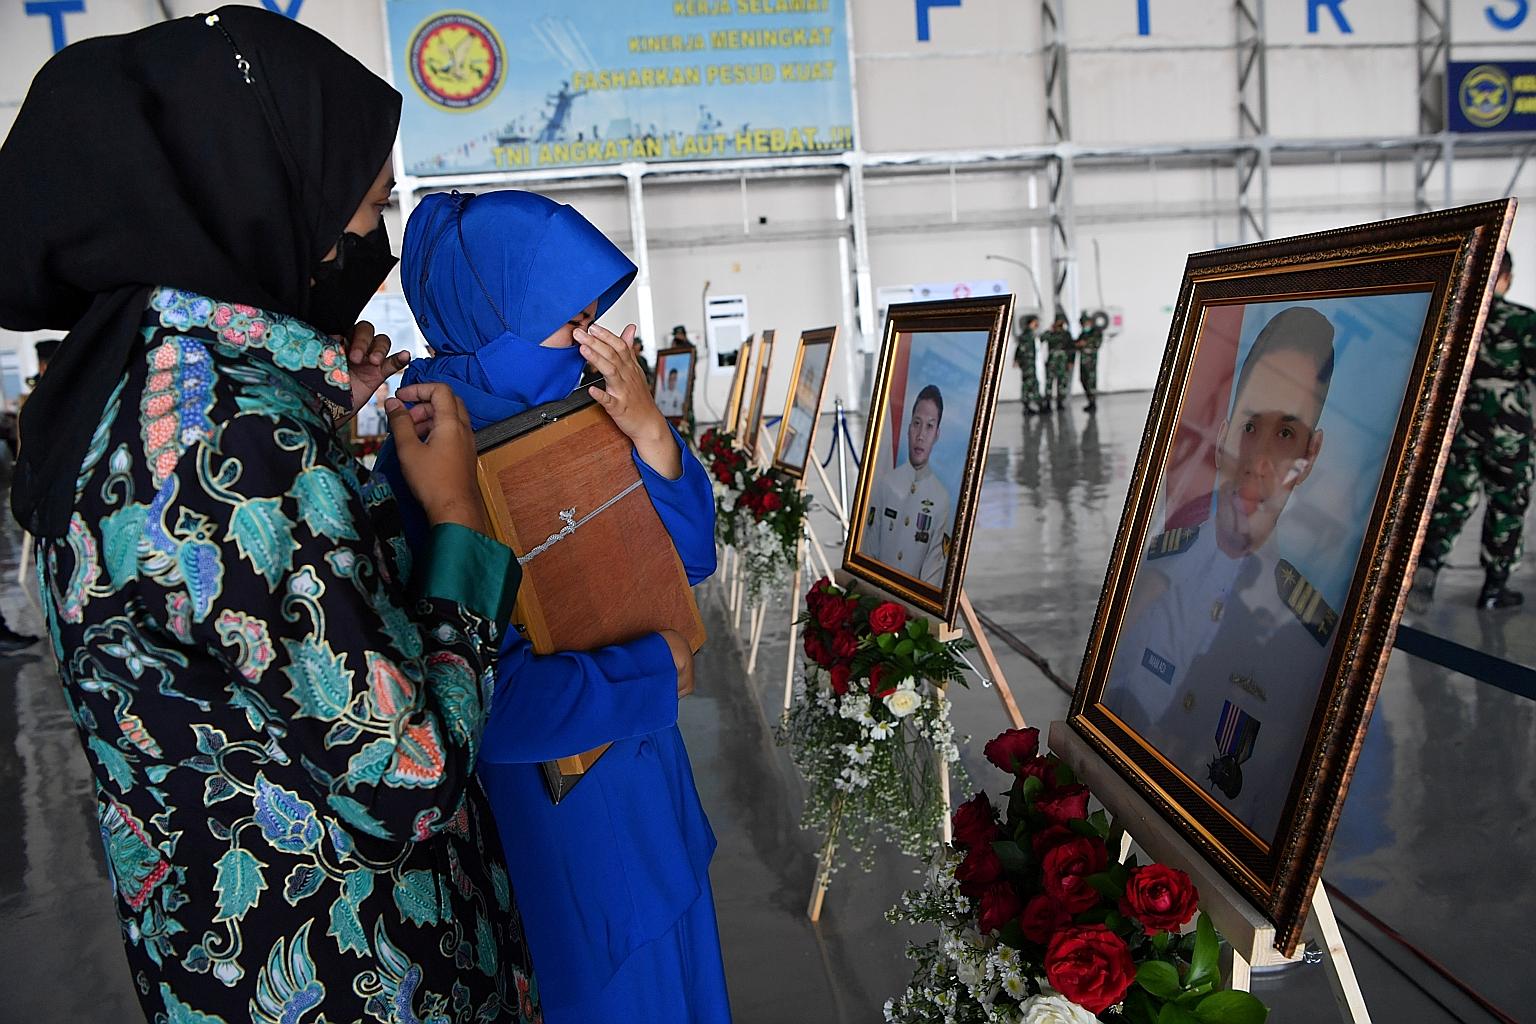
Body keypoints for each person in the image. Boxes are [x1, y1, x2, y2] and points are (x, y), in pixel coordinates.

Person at [0, 9, 540, 1020]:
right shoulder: (234, 437)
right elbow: (404, 773)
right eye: (369, 209)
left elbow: (238, 650)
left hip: (226, 962)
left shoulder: (138, 379)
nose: (372, 243)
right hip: (358, 974)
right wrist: (463, 522)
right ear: (259, 196)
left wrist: (321, 431)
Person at [379, 189, 730, 1024]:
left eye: (588, 311)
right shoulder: (431, 460)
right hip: (566, 840)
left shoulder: (584, 407)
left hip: (653, 808)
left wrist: (650, 435)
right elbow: (482, 706)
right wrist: (650, 673)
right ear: (490, 308)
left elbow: (688, 558)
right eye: (564, 315)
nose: (588, 336)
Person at [1103, 307, 1338, 841]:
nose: (1258, 460)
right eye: (1251, 426)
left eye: (1285, 433)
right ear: (1226, 433)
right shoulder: (1151, 573)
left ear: (1311, 453)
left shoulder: (1308, 640)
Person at [1410, 251, 1536, 611]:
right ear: (1506, 278)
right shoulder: (1523, 322)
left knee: (1450, 502)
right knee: (1508, 505)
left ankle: (1428, 567)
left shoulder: (1454, 321)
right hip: (1509, 435)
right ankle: (1495, 588)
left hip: (1458, 431)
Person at [860, 384, 952, 585]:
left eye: (929, 426)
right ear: (908, 429)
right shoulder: (885, 485)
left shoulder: (940, 499)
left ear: (937, 434)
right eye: (917, 423)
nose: (921, 435)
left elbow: (932, 573)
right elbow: (870, 551)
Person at [1042, 311, 1076, 411]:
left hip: (1063, 362)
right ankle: (1047, 403)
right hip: (1051, 362)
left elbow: (1071, 349)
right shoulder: (1050, 333)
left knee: (1062, 383)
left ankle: (1060, 402)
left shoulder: (1067, 334)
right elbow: (1041, 339)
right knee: (1049, 383)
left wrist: (1071, 362)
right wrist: (1050, 329)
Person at [1014, 313, 1044, 414]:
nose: (1037, 324)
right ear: (1031, 323)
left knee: (1029, 383)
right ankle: (1034, 405)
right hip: (1028, 364)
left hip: (1029, 363)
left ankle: (1031, 405)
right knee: (1030, 384)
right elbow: (1021, 349)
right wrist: (1018, 360)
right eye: (1036, 322)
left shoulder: (1029, 334)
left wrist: (1016, 360)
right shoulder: (1027, 335)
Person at [1077, 311, 1105, 413]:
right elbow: (1078, 343)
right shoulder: (1083, 334)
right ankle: (1089, 401)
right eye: (1083, 324)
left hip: (1090, 361)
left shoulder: (1096, 333)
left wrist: (1085, 343)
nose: (1085, 326)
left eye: (1086, 323)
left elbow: (1097, 344)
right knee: (1083, 380)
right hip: (1083, 361)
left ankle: (1093, 403)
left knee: (1091, 381)